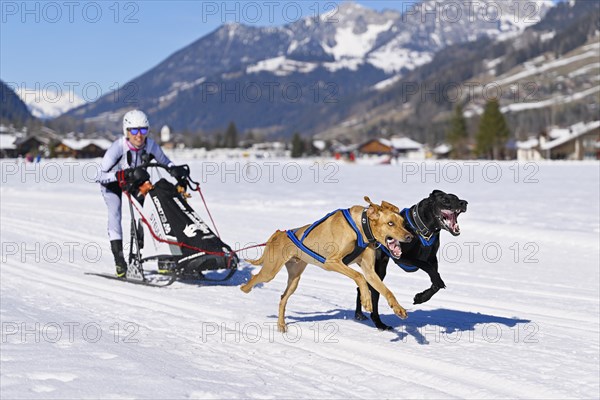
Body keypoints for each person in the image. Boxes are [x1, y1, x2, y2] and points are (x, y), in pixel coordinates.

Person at [98, 109, 174, 277]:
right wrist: (121, 175)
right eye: (134, 130)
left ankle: (158, 257)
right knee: (115, 214)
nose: (139, 135)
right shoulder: (118, 147)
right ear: (127, 132)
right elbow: (100, 175)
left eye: (143, 130)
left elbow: (166, 163)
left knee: (153, 210)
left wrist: (176, 171)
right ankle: (120, 262)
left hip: (133, 181)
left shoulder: (151, 145)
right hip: (112, 183)